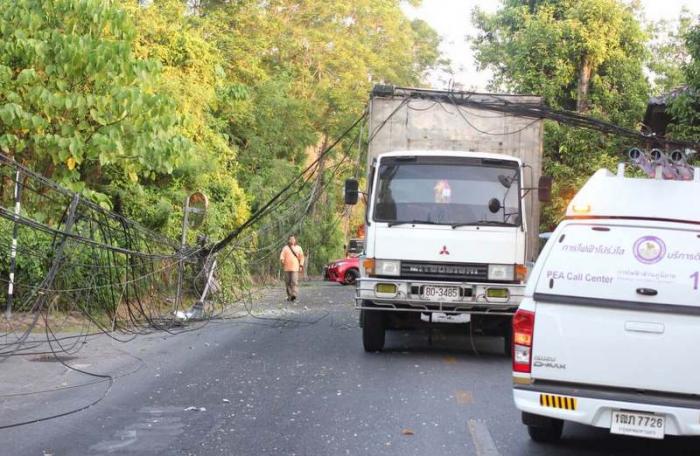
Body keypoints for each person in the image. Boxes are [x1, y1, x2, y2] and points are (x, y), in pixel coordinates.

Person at [279, 235, 304, 302]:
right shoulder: (285, 248)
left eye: (293, 239)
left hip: (295, 268)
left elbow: (302, 257)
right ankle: (290, 296)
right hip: (287, 268)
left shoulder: (299, 248)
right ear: (288, 240)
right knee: (287, 282)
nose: (292, 240)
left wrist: (301, 265)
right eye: (291, 239)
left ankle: (294, 294)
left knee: (294, 281)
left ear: (295, 240)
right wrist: (282, 259)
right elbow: (282, 255)